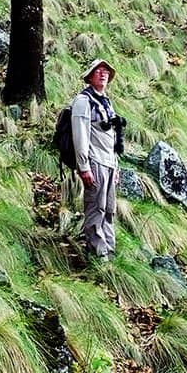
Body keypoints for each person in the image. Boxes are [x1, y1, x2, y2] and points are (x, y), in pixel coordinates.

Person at [71, 59, 119, 262]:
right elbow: (80, 136)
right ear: (90, 76)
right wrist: (84, 167)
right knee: (95, 207)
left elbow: (114, 137)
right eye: (98, 71)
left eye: (106, 71)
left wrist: (116, 166)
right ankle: (97, 253)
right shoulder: (83, 101)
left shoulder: (106, 102)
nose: (103, 74)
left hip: (109, 162)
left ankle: (109, 248)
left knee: (109, 208)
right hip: (94, 162)